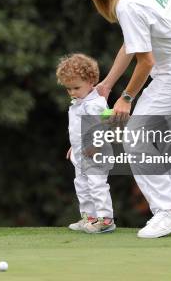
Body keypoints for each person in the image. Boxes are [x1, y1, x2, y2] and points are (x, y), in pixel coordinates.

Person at [74, 0, 171, 238]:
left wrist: (126, 98)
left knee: (136, 137)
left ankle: (169, 211)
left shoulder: (129, 3)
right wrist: (107, 84)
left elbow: (146, 61)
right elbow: (133, 45)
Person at [56, 53, 115, 234]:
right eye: (68, 89)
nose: (72, 92)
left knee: (97, 184)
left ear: (91, 82)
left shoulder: (95, 104)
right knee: (81, 184)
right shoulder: (79, 103)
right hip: (81, 153)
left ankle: (105, 219)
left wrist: (95, 145)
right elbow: (78, 129)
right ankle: (89, 217)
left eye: (76, 87)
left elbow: (105, 125)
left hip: (95, 152)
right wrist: (74, 146)